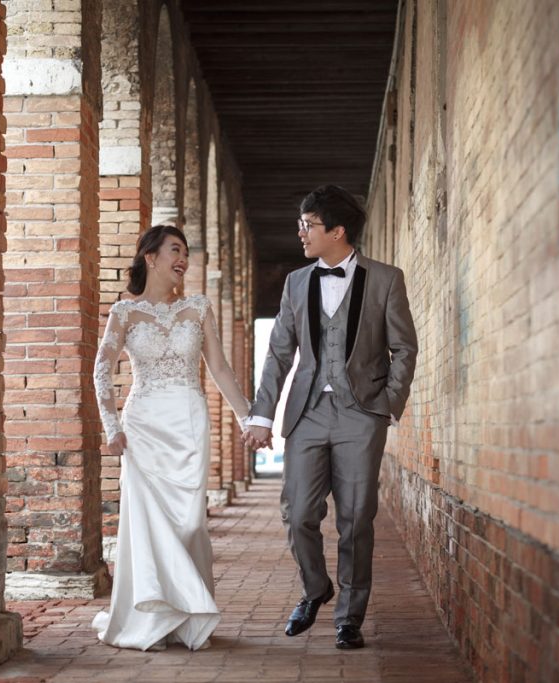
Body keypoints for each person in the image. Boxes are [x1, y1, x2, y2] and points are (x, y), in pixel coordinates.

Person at [242, 185, 418, 650]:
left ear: (338, 231)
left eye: (309, 225)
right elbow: (279, 353)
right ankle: (316, 588)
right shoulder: (297, 283)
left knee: (357, 518)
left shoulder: (386, 279)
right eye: (301, 224)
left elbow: (404, 347)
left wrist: (387, 403)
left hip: (362, 414)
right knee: (298, 512)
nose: (301, 233)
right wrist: (262, 415)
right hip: (308, 414)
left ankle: (349, 617)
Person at [92, 224, 252, 652]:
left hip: (187, 420)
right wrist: (112, 427)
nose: (182, 260)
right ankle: (153, 618)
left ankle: (185, 614)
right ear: (151, 257)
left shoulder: (198, 308)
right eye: (175, 250)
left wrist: (247, 418)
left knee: (189, 520)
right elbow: (101, 368)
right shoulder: (124, 313)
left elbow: (220, 369)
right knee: (147, 522)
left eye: (185, 252)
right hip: (143, 426)